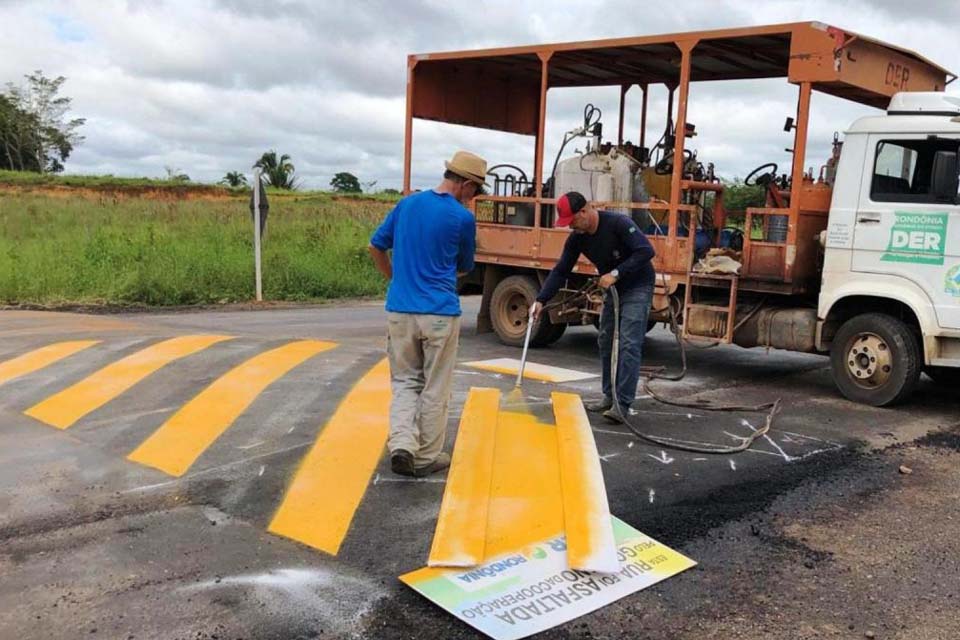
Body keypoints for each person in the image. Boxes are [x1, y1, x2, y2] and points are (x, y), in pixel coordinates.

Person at [368, 150, 486, 476]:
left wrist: (395, 278)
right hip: (439, 313)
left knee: (405, 381)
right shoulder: (462, 219)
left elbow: (375, 246)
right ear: (464, 183)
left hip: (400, 310)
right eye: (474, 190)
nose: (473, 198)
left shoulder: (407, 204)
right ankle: (426, 457)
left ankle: (403, 444)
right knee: (435, 386)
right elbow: (464, 267)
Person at [531, 191, 656, 423]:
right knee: (606, 339)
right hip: (614, 289)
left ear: (585, 211)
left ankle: (623, 403)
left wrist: (616, 273)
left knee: (629, 342)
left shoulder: (618, 223)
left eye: (573, 221)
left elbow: (646, 251)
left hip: (638, 285)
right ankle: (609, 396)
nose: (571, 227)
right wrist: (541, 299)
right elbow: (561, 270)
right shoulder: (578, 237)